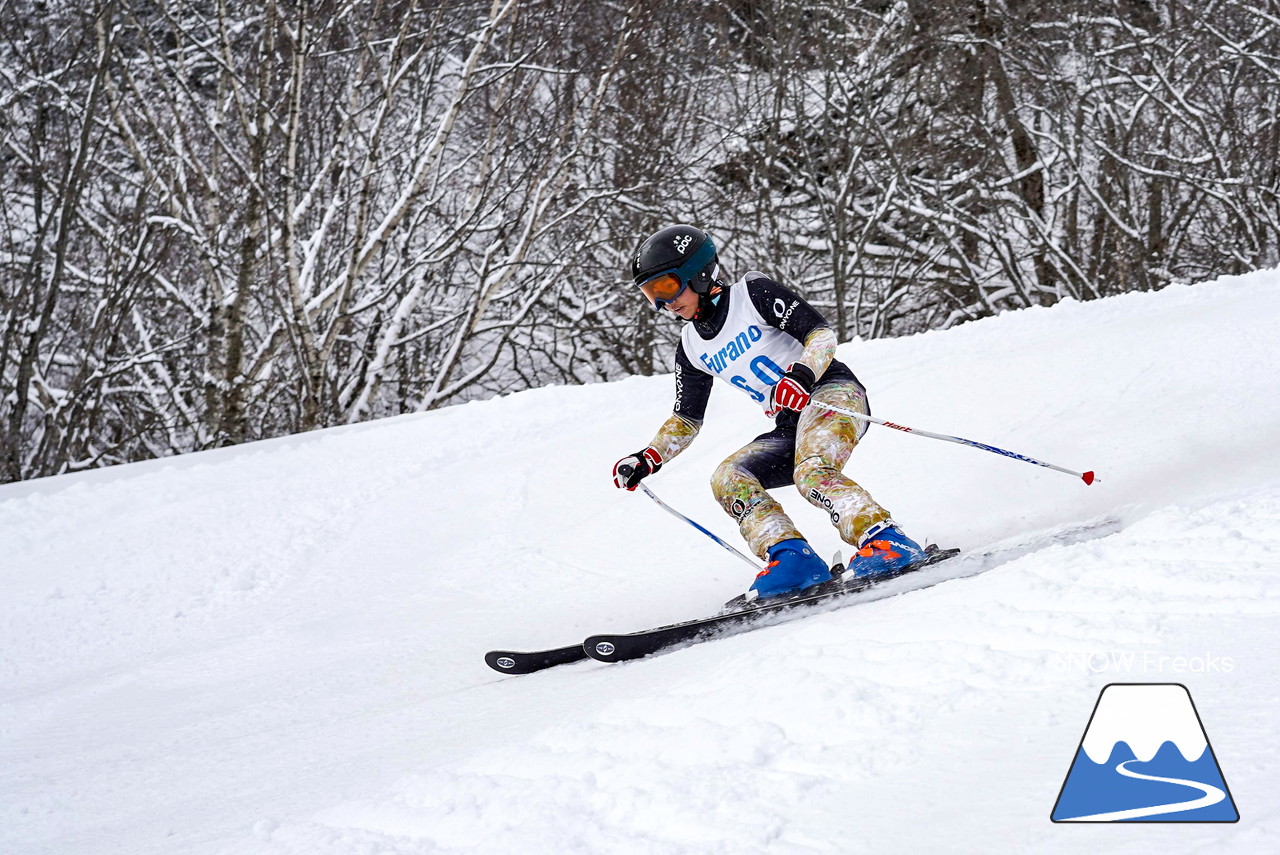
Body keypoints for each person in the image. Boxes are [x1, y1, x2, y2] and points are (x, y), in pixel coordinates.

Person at [612, 224, 928, 599]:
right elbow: (686, 418)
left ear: (696, 273)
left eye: (665, 287)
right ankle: (793, 559)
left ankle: (886, 541)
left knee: (811, 470)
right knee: (728, 476)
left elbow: (821, 334)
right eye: (650, 295)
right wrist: (649, 457)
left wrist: (802, 374)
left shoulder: (752, 294)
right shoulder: (691, 346)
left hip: (832, 394)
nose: (662, 304)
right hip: (789, 422)